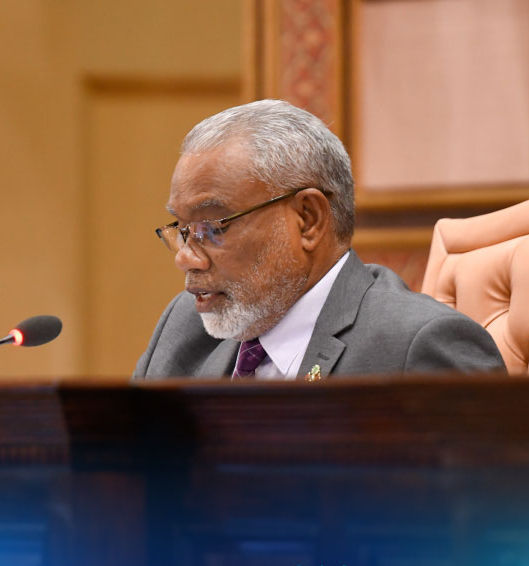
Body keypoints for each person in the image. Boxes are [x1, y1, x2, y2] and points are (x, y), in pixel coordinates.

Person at [133, 100, 505, 380]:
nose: (186, 258)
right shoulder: (184, 327)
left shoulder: (415, 347)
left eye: (213, 226)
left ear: (308, 220)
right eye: (183, 229)